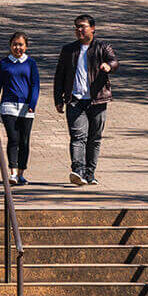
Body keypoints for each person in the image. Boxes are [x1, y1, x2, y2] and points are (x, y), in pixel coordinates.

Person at [54, 13, 118, 186]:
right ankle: (78, 171)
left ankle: (90, 173)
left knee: (94, 138)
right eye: (76, 27)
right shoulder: (69, 50)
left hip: (97, 100)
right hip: (75, 100)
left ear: (93, 28)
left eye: (82, 26)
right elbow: (59, 75)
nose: (79, 30)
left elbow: (114, 61)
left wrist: (108, 66)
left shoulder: (102, 47)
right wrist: (58, 99)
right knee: (78, 136)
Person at [0, 31, 39, 183]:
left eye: (20, 45)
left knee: (24, 140)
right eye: (15, 44)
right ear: (10, 45)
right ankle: (12, 172)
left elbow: (35, 85)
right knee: (13, 138)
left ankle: (21, 172)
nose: (17, 48)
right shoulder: (4, 64)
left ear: (26, 46)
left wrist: (32, 103)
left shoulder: (31, 63)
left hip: (26, 107)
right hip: (8, 106)